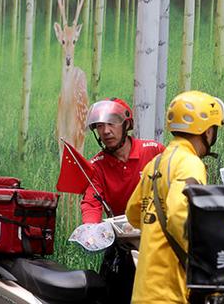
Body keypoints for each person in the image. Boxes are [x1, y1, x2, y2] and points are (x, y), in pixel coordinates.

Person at [126, 90, 224, 304]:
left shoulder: (157, 162)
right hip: (170, 290)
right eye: (214, 129)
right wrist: (207, 260)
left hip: (145, 289)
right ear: (206, 132)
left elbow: (132, 213)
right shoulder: (190, 163)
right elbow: (180, 216)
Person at [81, 97, 165, 303]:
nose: (106, 131)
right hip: (123, 243)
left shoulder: (153, 150)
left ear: (126, 124)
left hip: (158, 240)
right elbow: (91, 202)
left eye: (112, 123)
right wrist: (90, 229)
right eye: (100, 126)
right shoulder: (96, 165)